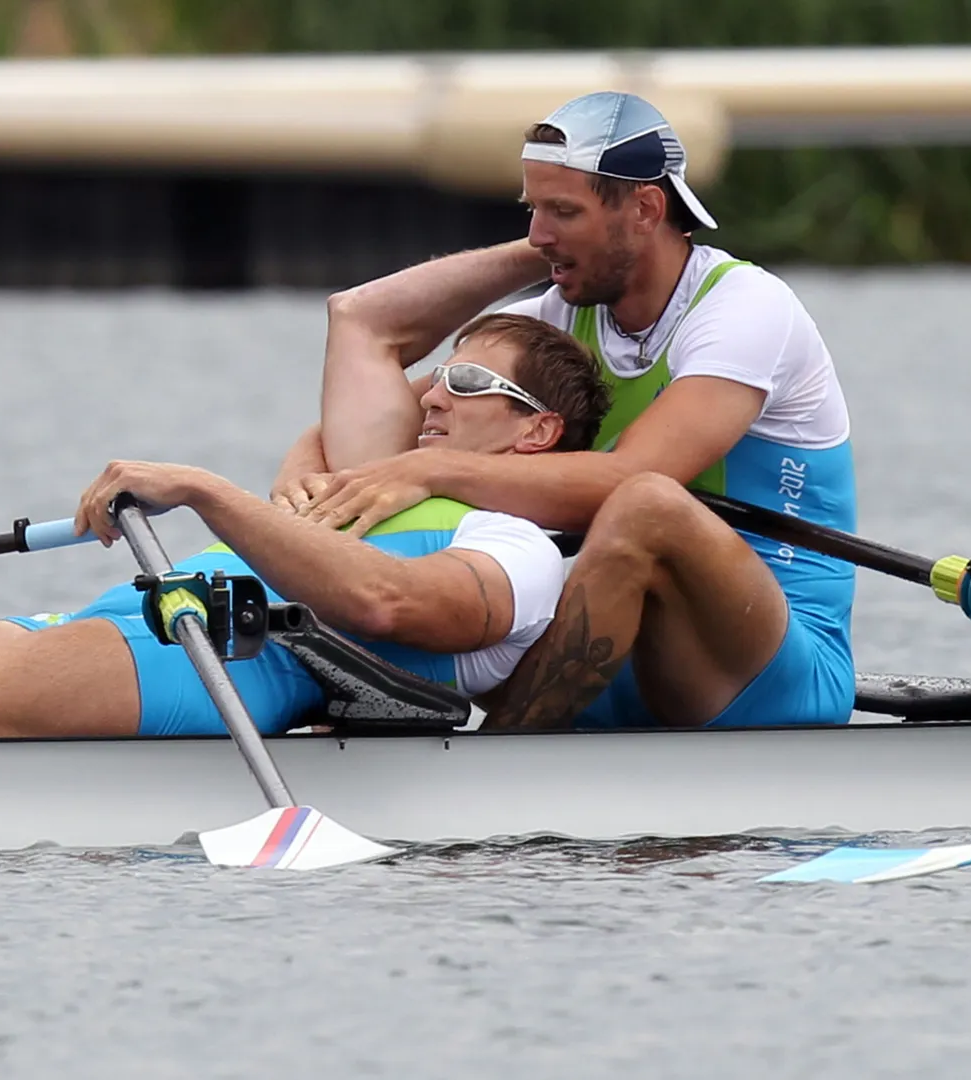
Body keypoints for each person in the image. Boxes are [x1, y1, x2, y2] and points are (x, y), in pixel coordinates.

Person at [0, 314, 609, 742]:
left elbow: (388, 603)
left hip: (224, 663)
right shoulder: (365, 484)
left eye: (463, 385)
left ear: (537, 433)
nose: (430, 397)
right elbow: (365, 314)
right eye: (434, 378)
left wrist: (203, 489)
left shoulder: (518, 550)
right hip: (131, 617)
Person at [272, 91, 858, 730]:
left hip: (767, 669)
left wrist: (432, 471)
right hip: (619, 649)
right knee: (444, 434)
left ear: (645, 207)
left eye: (562, 211)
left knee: (648, 505)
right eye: (533, 210)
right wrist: (307, 477)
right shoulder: (558, 316)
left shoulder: (745, 310)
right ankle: (371, 714)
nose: (535, 234)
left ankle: (502, 763)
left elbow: (628, 479)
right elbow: (369, 330)